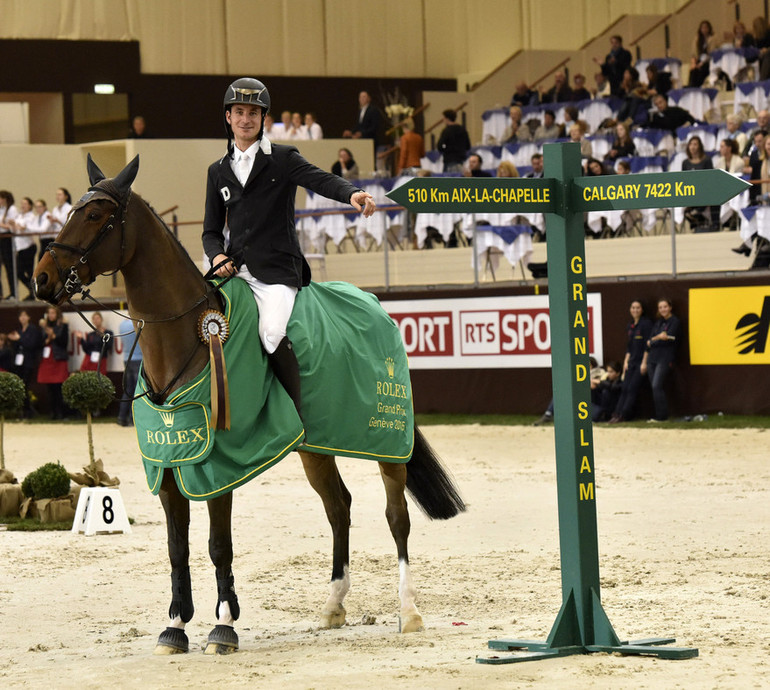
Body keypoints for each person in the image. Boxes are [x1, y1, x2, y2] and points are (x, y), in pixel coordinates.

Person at [203, 78, 375, 415]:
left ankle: (295, 416)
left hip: (276, 272)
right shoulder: (217, 171)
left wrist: (351, 193)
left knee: (270, 333)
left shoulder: (283, 158)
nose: (245, 119)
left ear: (263, 119)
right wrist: (218, 254)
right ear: (228, 117)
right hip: (234, 271)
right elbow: (211, 231)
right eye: (239, 112)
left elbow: (320, 179)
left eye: (253, 113)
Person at [609, 300, 652, 423]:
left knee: (632, 388)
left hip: (640, 362)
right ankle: (616, 414)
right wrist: (626, 362)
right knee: (625, 388)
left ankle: (624, 414)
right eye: (633, 308)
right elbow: (629, 347)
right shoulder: (630, 325)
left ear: (642, 310)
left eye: (638, 308)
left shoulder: (646, 324)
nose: (635, 310)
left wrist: (644, 362)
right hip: (631, 362)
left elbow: (647, 345)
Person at [534, 356, 604, 425]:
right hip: (578, 397)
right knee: (559, 395)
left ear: (592, 365)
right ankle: (548, 414)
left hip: (591, 399)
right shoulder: (580, 373)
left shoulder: (599, 372)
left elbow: (592, 386)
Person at [645, 298, 681, 422]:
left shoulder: (675, 321)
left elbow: (670, 339)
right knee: (654, 387)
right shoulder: (658, 323)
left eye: (665, 307)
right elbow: (649, 342)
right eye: (660, 307)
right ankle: (658, 414)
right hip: (652, 359)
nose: (663, 310)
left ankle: (662, 416)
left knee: (656, 385)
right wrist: (658, 337)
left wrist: (656, 340)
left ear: (670, 307)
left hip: (664, 358)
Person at [7, 309, 43, 418]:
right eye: (21, 316)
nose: (22, 318)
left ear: (28, 317)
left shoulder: (32, 330)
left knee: (25, 385)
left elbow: (32, 344)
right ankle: (24, 410)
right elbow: (17, 347)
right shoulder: (19, 330)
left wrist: (19, 338)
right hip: (19, 362)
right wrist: (13, 340)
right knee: (20, 386)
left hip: (29, 361)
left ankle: (27, 411)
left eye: (24, 316)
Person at [36, 306, 69, 420]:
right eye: (49, 313)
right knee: (50, 388)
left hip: (58, 359)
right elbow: (40, 343)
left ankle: (61, 412)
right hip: (47, 359)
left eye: (53, 313)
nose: (51, 315)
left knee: (58, 388)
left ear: (57, 314)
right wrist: (47, 339)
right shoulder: (44, 327)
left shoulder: (62, 326)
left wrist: (53, 336)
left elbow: (64, 343)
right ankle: (53, 412)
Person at [682, 136, 718, 231]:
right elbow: (683, 178)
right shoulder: (685, 163)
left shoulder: (706, 160)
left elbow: (710, 177)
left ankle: (697, 212)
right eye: (690, 144)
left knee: (708, 195)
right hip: (691, 190)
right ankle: (696, 220)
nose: (692, 147)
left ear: (700, 146)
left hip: (704, 189)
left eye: (695, 144)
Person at [10, 197, 38, 300]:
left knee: (29, 271)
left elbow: (22, 228)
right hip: (20, 248)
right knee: (19, 272)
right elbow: (14, 229)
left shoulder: (30, 216)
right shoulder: (19, 216)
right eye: (22, 204)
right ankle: (31, 289)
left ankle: (32, 293)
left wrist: (15, 225)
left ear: (30, 206)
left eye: (25, 204)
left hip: (28, 247)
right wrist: (12, 225)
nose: (22, 206)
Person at [117, 318, 142, 427]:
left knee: (128, 390)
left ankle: (122, 417)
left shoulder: (122, 325)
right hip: (138, 358)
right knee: (137, 391)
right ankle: (133, 418)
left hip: (127, 358)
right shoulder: (137, 324)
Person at [436, 109, 471, 173]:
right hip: (461, 160)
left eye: (443, 118)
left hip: (449, 159)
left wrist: (445, 148)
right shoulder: (463, 130)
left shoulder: (446, 131)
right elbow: (468, 146)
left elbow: (440, 146)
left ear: (447, 118)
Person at [0, 191, 19, 300]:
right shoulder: (2, 210)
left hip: (7, 237)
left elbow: (12, 226)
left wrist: (2, 224)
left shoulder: (11, 209)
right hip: (1, 237)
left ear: (5, 199)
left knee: (9, 266)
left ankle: (13, 292)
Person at [688, 20, 716, 88]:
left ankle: (698, 87)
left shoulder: (712, 39)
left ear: (709, 29)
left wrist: (701, 63)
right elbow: (694, 53)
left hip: (707, 62)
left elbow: (711, 53)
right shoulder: (697, 39)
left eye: (706, 28)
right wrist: (694, 63)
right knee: (693, 71)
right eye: (702, 28)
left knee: (702, 70)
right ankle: (691, 87)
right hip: (699, 60)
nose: (704, 29)